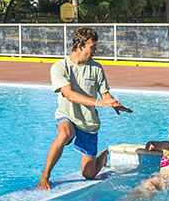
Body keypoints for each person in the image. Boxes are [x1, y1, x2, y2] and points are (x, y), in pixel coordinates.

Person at [37, 27, 131, 190]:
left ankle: (102, 158)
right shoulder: (60, 67)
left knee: (88, 174)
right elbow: (69, 94)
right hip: (67, 115)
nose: (95, 50)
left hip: (89, 123)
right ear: (80, 46)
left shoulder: (96, 68)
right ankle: (45, 176)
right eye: (92, 47)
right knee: (65, 133)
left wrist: (113, 103)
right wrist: (97, 103)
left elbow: (105, 94)